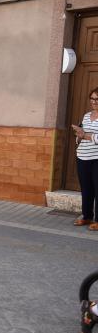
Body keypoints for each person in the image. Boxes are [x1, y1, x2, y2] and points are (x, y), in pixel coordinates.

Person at [71, 87, 98, 231]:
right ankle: (87, 216)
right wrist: (78, 137)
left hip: (97, 158)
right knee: (86, 189)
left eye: (97, 99)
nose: (94, 102)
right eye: (92, 99)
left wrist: (86, 135)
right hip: (83, 156)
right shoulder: (86, 116)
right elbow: (81, 135)